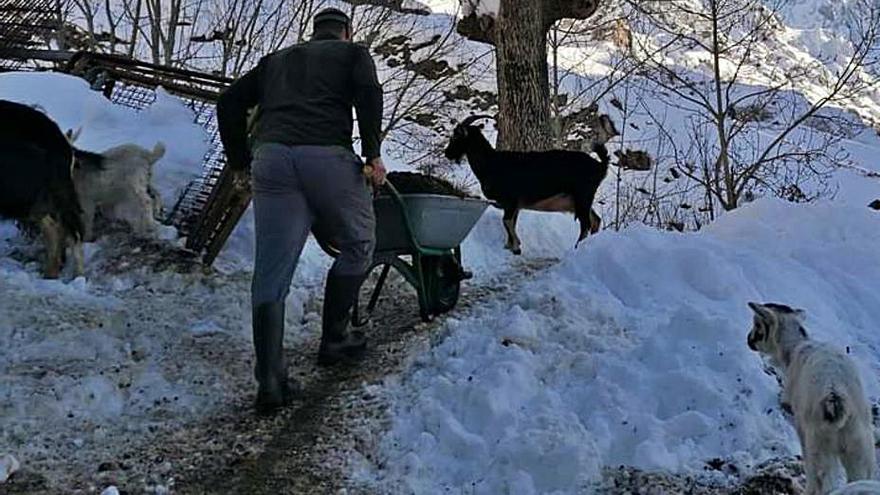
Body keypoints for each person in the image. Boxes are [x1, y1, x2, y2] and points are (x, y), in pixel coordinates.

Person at [217, 7, 386, 414]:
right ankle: (334, 339)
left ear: (314, 33)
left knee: (271, 271)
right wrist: (373, 153)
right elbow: (368, 93)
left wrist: (240, 161)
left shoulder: (276, 60)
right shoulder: (353, 53)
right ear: (346, 32)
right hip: (327, 156)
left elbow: (228, 102)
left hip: (272, 161)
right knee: (360, 242)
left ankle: (270, 381)